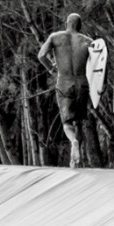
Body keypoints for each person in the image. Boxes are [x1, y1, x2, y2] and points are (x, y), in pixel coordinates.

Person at [38, 13, 92, 168]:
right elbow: (98, 66)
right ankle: (76, 161)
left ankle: (73, 141)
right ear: (80, 25)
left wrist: (51, 69)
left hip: (64, 82)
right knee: (79, 122)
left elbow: (41, 55)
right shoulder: (88, 41)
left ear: (67, 23)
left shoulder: (55, 37)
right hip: (82, 83)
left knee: (66, 122)